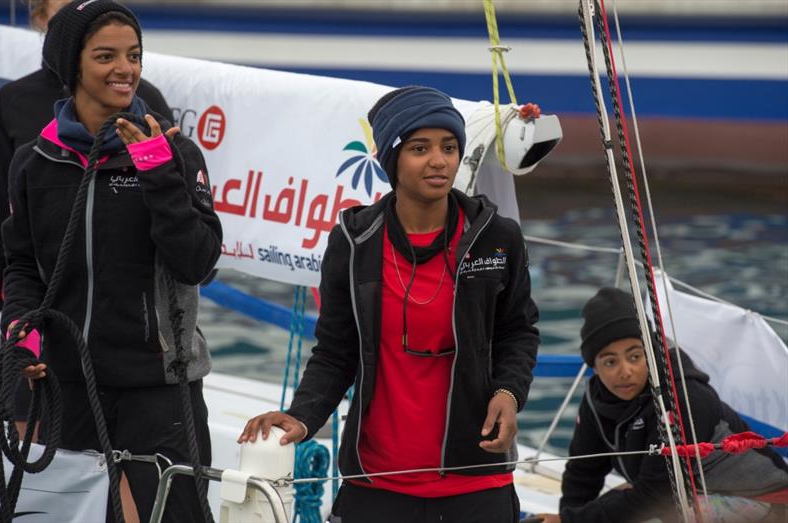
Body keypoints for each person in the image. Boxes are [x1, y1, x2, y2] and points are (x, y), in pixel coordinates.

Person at [239, 86, 541, 522]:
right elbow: (335, 351)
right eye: (420, 148)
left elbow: (518, 330)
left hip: (476, 477)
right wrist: (301, 417)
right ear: (391, 159)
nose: (439, 160)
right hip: (376, 480)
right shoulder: (354, 240)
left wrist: (510, 393)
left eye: (449, 147)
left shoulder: (497, 236)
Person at [0, 1, 222, 522]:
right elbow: (24, 267)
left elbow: (200, 264)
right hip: (67, 384)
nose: (126, 68)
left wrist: (159, 176)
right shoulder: (35, 161)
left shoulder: (175, 151)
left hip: (161, 389)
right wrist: (21, 337)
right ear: (71, 64)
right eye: (106, 56)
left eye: (134, 54)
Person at [0, 0, 172, 365]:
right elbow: (2, 226)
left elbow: (192, 254)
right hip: (45, 334)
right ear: (41, 21)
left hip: (133, 353)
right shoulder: (17, 104)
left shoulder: (148, 104)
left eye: (132, 56)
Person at [537, 287, 788, 523]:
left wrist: (571, 521)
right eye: (610, 362)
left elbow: (656, 496)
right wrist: (567, 516)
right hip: (689, 492)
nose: (625, 372)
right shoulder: (597, 399)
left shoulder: (685, 397)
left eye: (635, 356)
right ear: (595, 367)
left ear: (652, 351)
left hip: (767, 501)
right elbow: (583, 473)